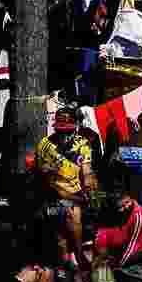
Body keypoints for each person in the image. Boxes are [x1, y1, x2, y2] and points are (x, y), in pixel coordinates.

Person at [34, 106, 94, 271]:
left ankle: (75, 256)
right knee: (69, 213)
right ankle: (75, 257)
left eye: (68, 131)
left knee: (74, 211)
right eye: (60, 132)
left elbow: (87, 170)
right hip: (52, 194)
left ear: (75, 128)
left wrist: (88, 186)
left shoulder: (83, 144)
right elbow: (46, 181)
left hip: (76, 194)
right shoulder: (45, 145)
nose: (64, 136)